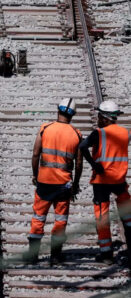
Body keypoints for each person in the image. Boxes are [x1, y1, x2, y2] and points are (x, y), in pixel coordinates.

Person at [22, 98, 82, 265]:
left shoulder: (45, 128)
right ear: (73, 115)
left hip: (44, 182)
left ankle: (33, 255)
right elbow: (79, 163)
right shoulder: (76, 134)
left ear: (58, 110)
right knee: (60, 219)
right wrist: (75, 184)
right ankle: (55, 255)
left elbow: (35, 154)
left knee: (38, 217)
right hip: (64, 184)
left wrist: (36, 175)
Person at [78, 100, 130, 266]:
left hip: (102, 181)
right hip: (119, 180)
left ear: (105, 117)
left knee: (102, 216)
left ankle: (106, 253)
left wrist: (94, 165)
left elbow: (82, 147)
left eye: (99, 115)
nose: (98, 118)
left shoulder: (98, 133)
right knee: (128, 217)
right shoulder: (125, 133)